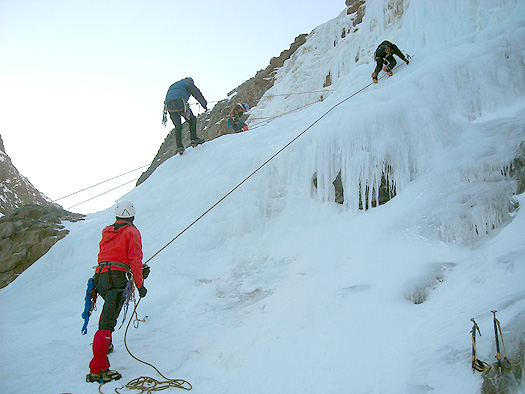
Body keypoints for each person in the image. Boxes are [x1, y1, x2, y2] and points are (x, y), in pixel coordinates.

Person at [86, 200, 149, 383]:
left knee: (107, 313)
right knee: (107, 322)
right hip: (116, 278)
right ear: (132, 216)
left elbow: (112, 255)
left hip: (100, 277)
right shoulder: (132, 232)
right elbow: (134, 260)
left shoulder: (107, 231)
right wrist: (140, 284)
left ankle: (106, 345)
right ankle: (98, 369)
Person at [164, 77, 208, 154]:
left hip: (169, 105)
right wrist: (204, 104)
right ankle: (194, 139)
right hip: (180, 103)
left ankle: (179, 147)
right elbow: (197, 93)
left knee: (178, 126)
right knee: (192, 119)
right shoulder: (187, 83)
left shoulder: (176, 84)